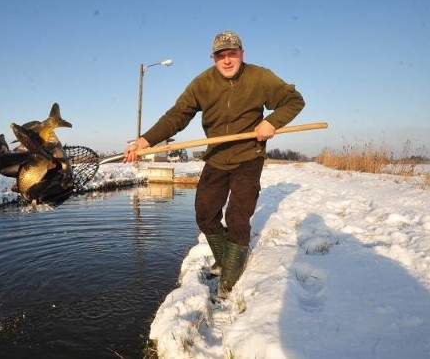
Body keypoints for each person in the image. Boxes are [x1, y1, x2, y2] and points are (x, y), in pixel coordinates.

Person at [123, 31, 305, 298]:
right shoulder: (202, 83)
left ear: (242, 53)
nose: (227, 60)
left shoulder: (260, 77)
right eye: (221, 55)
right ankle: (224, 260)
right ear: (213, 58)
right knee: (205, 213)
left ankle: (228, 285)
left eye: (232, 53)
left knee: (237, 216)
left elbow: (294, 100)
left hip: (248, 156)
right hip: (217, 156)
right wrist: (144, 140)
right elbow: (177, 115)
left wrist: (271, 122)